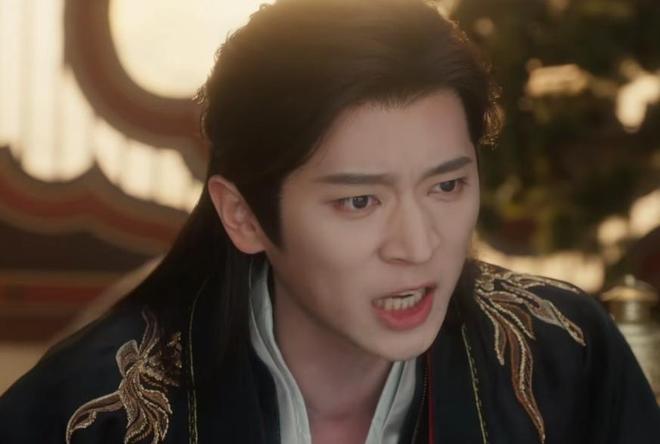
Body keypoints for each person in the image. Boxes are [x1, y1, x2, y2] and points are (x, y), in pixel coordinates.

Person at [1, 0, 658, 442]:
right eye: (359, 201)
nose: (418, 246)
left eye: (447, 185)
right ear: (243, 216)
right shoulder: (90, 411)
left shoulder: (566, 355)